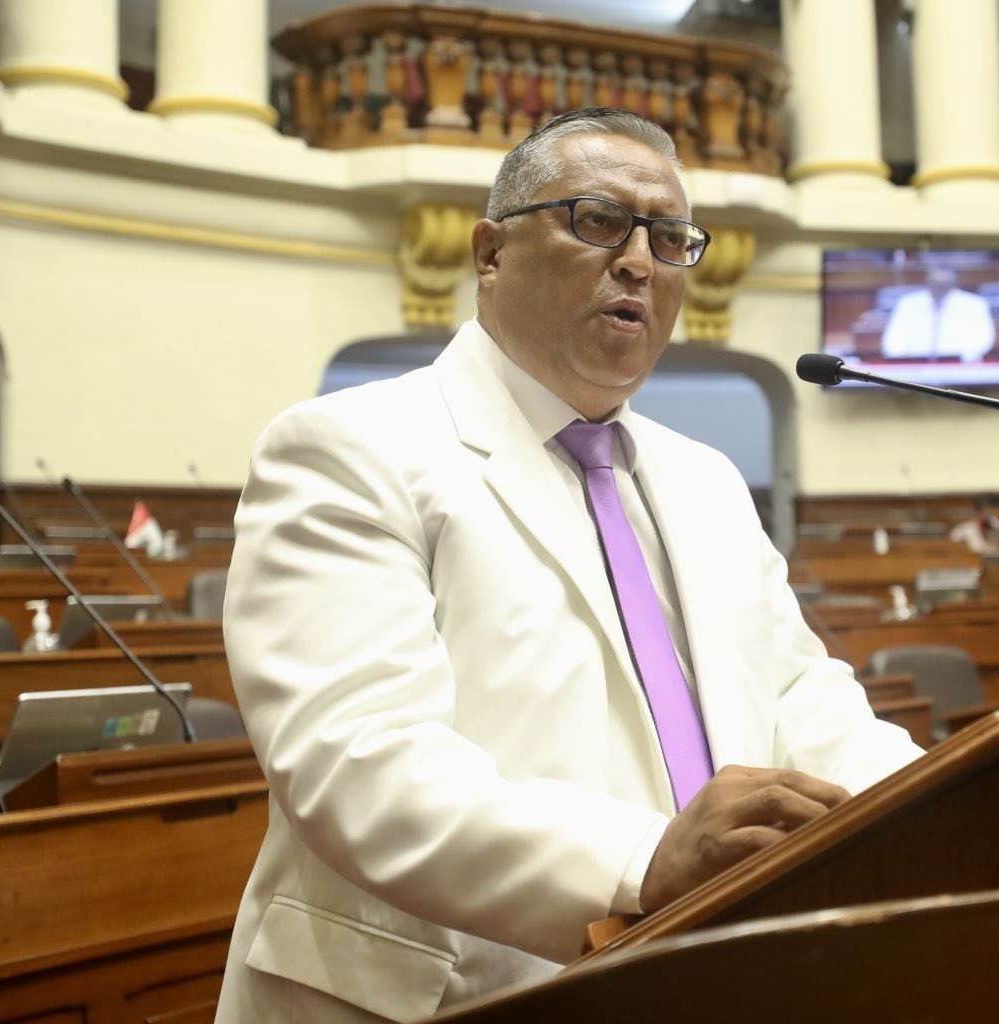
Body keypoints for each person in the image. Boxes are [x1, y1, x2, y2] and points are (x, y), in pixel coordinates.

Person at [215, 108, 924, 1023]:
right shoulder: (351, 449)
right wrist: (642, 860)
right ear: (489, 251)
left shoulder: (703, 479)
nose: (639, 260)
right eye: (597, 220)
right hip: (450, 996)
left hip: (696, 970)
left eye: (670, 239)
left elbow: (800, 699)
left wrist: (944, 802)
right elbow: (359, 762)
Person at [880, 265, 997, 362]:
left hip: (960, 365)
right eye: (935, 283)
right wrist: (904, 360)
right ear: (927, 282)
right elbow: (893, 340)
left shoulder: (974, 304)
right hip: (916, 365)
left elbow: (983, 339)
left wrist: (963, 358)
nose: (939, 287)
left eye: (944, 284)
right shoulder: (908, 303)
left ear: (954, 283)